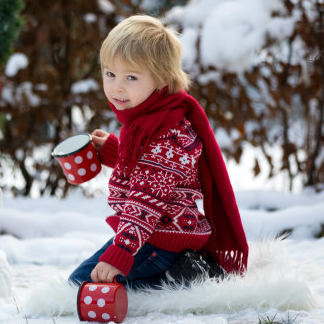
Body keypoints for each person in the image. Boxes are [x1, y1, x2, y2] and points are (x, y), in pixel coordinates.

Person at [68, 15, 248, 290]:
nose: (117, 86)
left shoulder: (166, 135)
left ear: (162, 79)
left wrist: (121, 254)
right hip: (160, 231)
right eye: (110, 74)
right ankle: (181, 268)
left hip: (158, 237)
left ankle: (184, 277)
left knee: (81, 283)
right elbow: (152, 169)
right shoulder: (156, 117)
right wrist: (115, 151)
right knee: (91, 278)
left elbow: (145, 201)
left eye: (131, 77)